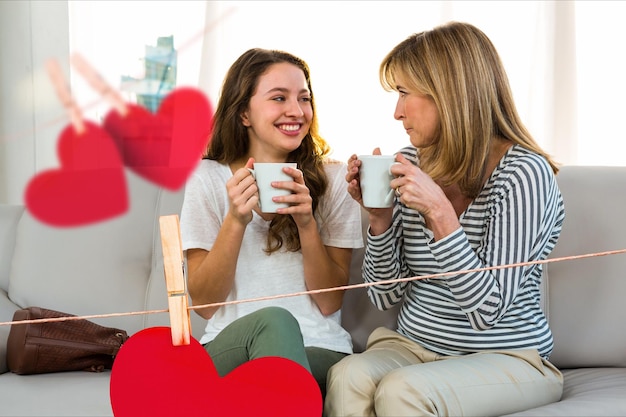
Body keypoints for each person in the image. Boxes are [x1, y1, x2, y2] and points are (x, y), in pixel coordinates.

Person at [324, 22, 565, 416]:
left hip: (508, 357)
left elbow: (487, 312)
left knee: (403, 391)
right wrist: (381, 219)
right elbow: (385, 295)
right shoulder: (413, 161)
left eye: (404, 92)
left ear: (449, 93)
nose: (397, 111)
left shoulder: (523, 174)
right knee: (348, 376)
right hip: (414, 346)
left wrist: (440, 214)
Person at [179, 48, 363, 397]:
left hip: (318, 350)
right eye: (279, 98)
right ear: (244, 112)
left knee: (280, 373)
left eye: (304, 98)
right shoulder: (207, 178)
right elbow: (204, 303)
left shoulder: (334, 179)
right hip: (231, 347)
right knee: (274, 321)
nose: (297, 111)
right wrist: (236, 220)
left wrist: (307, 224)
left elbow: (329, 303)